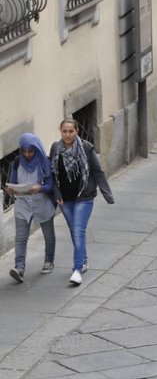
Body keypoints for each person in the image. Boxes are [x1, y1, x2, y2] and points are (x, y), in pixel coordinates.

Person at [49, 117, 114, 287]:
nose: (68, 134)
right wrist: (56, 193)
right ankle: (84, 260)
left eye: (71, 131)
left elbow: (97, 171)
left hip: (84, 197)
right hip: (65, 198)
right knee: (73, 231)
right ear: (60, 132)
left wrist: (107, 194)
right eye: (65, 131)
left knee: (78, 231)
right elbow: (52, 174)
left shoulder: (86, 147)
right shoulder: (55, 149)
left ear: (77, 131)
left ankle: (77, 270)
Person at [5, 134, 57, 284]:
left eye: (30, 151)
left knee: (48, 235)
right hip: (23, 204)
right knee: (21, 238)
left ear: (36, 149)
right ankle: (19, 268)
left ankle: (49, 260)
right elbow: (13, 182)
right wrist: (11, 190)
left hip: (42, 203)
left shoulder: (44, 162)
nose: (27, 155)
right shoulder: (16, 162)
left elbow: (49, 185)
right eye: (24, 151)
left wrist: (39, 188)